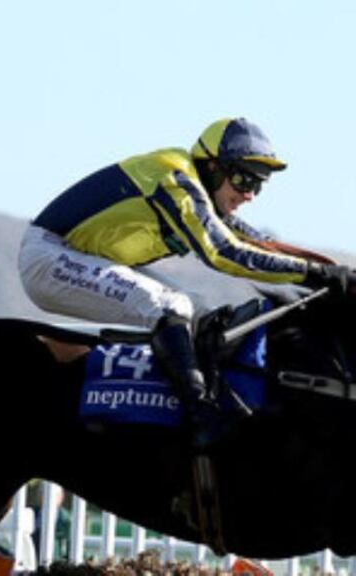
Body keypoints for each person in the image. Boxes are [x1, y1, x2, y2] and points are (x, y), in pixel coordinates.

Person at [18, 117, 351, 444]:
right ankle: (199, 413)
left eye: (258, 185)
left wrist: (331, 270)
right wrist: (315, 274)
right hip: (48, 256)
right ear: (213, 168)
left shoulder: (201, 193)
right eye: (243, 180)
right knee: (171, 306)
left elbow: (255, 242)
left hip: (88, 257)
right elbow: (224, 253)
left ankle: (183, 404)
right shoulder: (175, 180)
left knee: (201, 311)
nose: (250, 194)